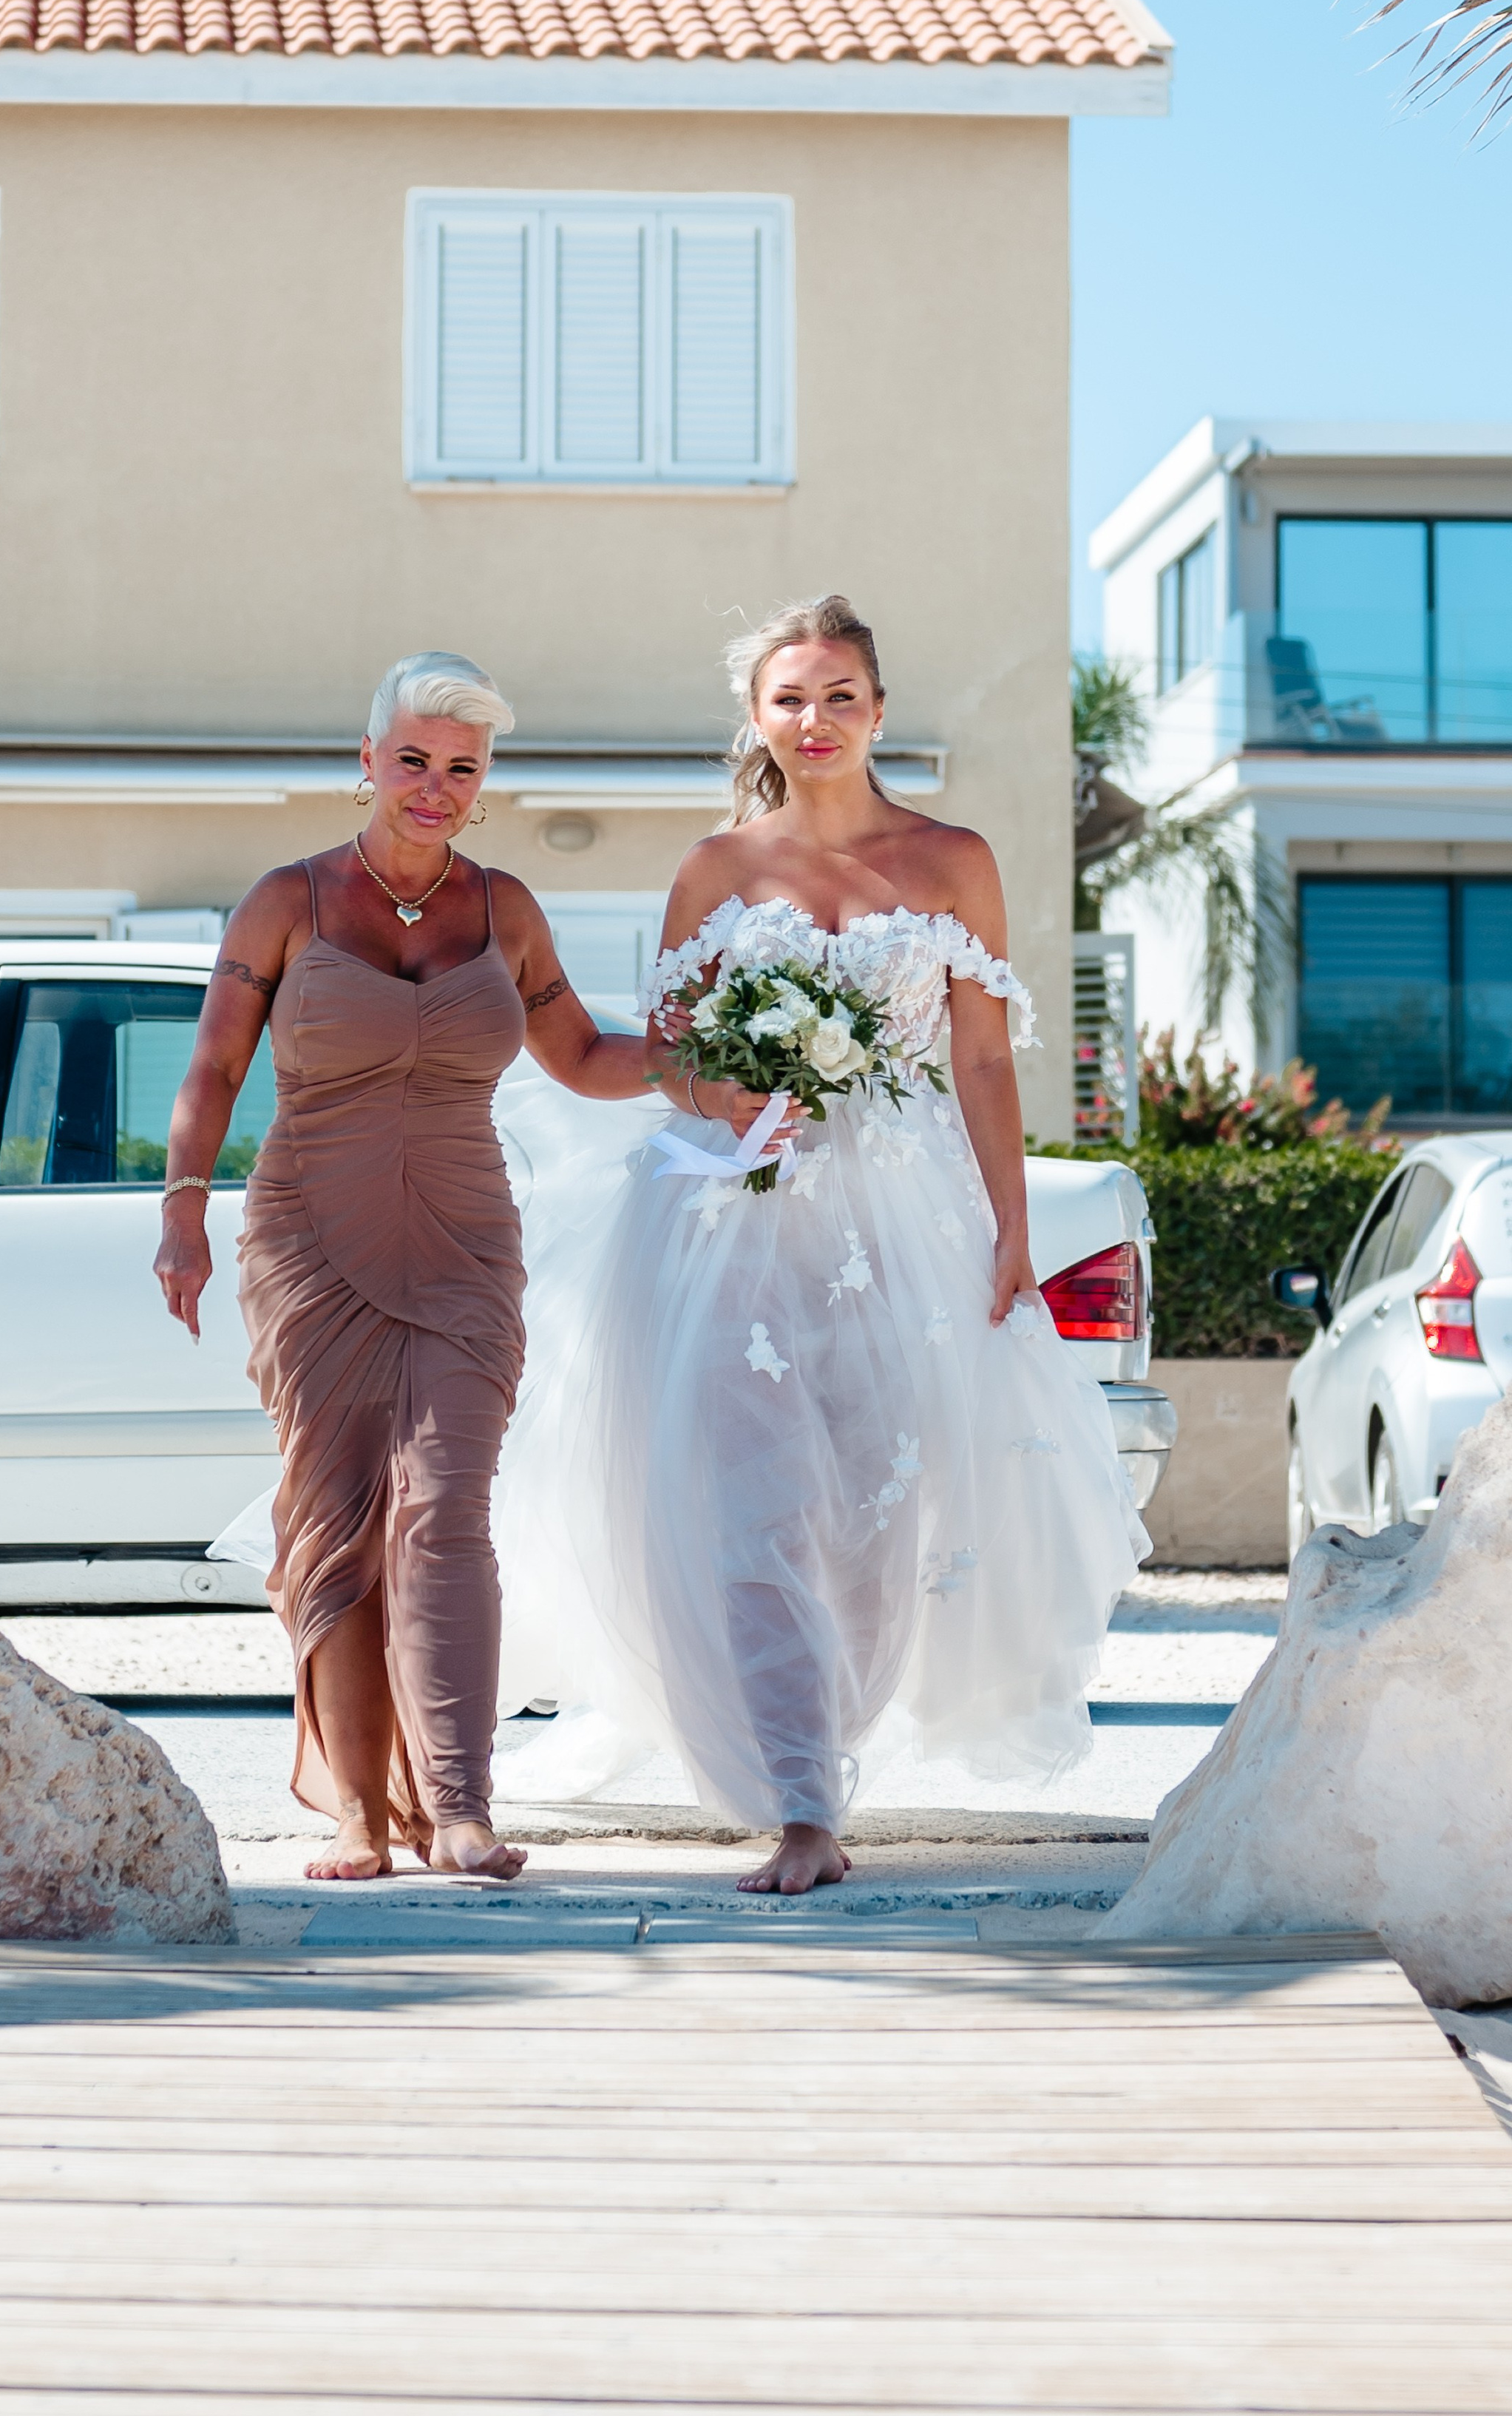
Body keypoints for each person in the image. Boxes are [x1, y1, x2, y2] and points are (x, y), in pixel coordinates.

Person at [492, 594, 1147, 1894]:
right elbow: (667, 1054)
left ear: (879, 710)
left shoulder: (954, 858)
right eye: (791, 698)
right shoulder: (715, 871)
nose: (817, 719)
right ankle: (800, 1798)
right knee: (759, 1504)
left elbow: (978, 1059)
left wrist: (1014, 1231)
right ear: (758, 718)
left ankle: (828, 1760)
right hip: (736, 1220)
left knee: (878, 1508)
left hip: (907, 1222)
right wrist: (723, 1090)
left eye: (840, 695)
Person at [154, 652, 646, 1883]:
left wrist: (711, 1065)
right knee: (339, 1519)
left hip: (470, 1242)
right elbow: (215, 1068)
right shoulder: (288, 901)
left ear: (485, 785)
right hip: (310, 1237)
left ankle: (464, 1808)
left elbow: (581, 1053)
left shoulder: (506, 909)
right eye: (414, 759)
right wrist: (183, 1209)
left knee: (445, 1508)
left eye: (462, 768)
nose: (435, 785)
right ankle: (363, 1820)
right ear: (369, 760)